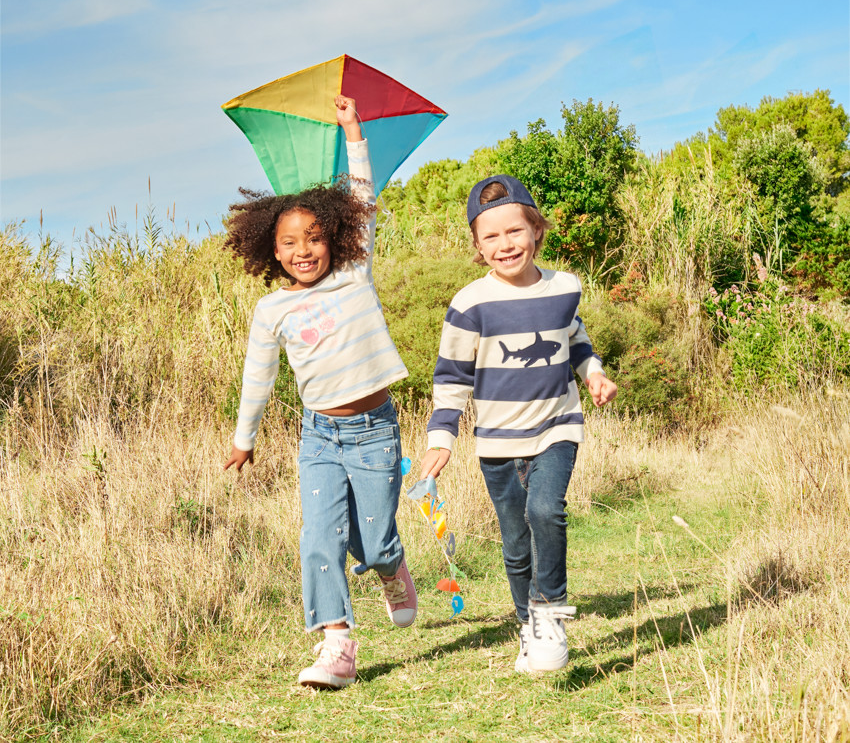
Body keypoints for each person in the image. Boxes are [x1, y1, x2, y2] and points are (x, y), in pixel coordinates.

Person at [223, 95, 417, 690]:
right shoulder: (272, 309)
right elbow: (258, 376)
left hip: (374, 427)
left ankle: (390, 567)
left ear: (334, 238)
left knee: (376, 539)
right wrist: (243, 439)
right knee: (318, 534)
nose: (302, 250)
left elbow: (361, 196)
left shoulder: (355, 275)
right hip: (319, 436)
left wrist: (354, 132)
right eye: (288, 242)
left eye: (312, 237)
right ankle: (337, 645)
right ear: (270, 250)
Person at [419, 174, 617, 673]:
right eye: (491, 236)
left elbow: (576, 341)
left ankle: (550, 616)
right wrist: (441, 437)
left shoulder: (565, 286)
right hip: (497, 440)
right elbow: (452, 376)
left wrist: (593, 374)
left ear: (536, 231)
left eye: (515, 231)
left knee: (546, 511)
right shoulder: (470, 304)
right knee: (515, 542)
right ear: (477, 244)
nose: (505, 244)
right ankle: (527, 623)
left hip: (558, 424)